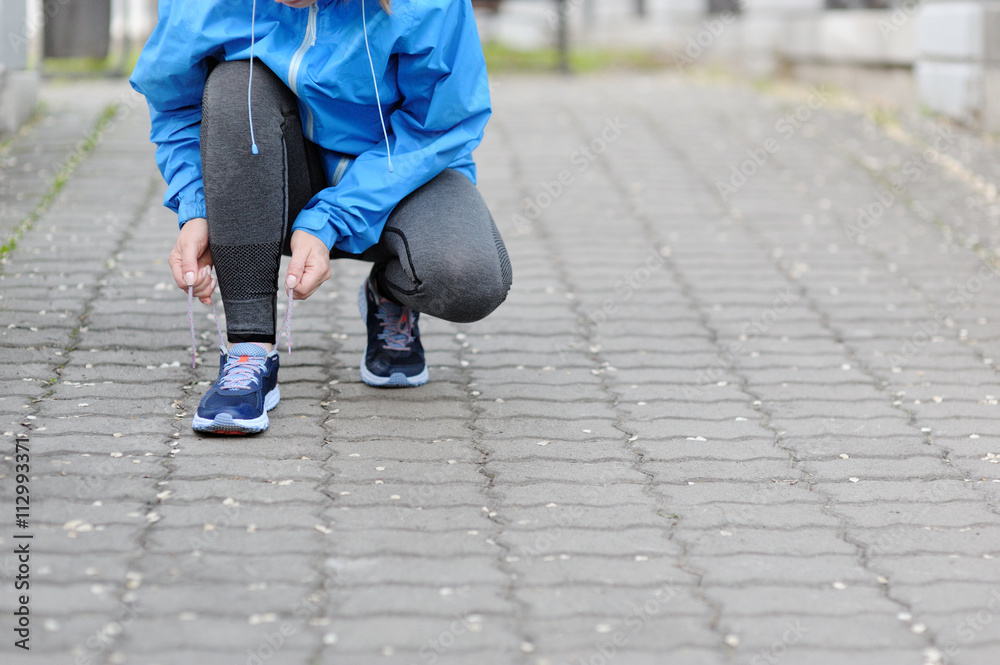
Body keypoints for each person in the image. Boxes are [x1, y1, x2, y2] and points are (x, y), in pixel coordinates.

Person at [130, 0, 512, 435]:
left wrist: (330, 218)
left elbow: (440, 126)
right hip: (278, 170)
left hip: (400, 174)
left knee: (471, 279)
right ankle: (248, 348)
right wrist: (196, 209)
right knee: (234, 86)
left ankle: (390, 294)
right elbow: (177, 107)